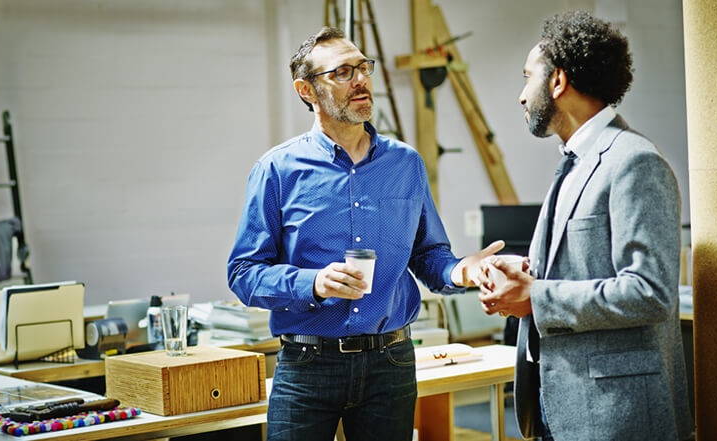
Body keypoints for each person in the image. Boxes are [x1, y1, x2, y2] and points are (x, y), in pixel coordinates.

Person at [227, 26, 502, 441]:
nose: (360, 80)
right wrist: (313, 282)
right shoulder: (278, 170)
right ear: (307, 90)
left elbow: (429, 255)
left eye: (363, 67)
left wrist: (461, 270)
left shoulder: (405, 164)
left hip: (389, 364)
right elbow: (244, 273)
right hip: (307, 364)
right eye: (341, 72)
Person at [476, 10, 693, 441]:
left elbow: (650, 293)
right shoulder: (573, 163)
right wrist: (523, 275)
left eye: (527, 77)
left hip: (617, 415)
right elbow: (579, 265)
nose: (522, 96)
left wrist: (536, 297)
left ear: (557, 81)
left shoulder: (634, 162)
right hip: (562, 406)